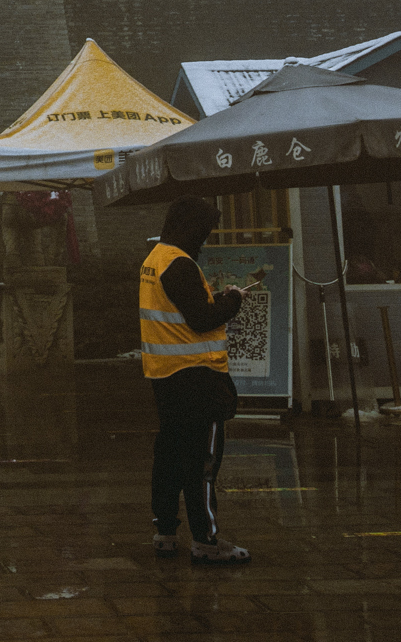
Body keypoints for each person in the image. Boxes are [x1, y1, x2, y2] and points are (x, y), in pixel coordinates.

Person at [139, 197, 251, 564]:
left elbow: (181, 310)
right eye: (204, 230)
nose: (205, 238)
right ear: (189, 227)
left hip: (165, 375)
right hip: (197, 377)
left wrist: (214, 300)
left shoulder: (155, 260)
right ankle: (206, 540)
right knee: (201, 462)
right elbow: (202, 320)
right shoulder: (179, 264)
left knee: (169, 456)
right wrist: (232, 301)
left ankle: (165, 531)